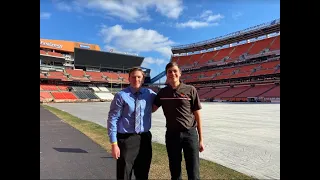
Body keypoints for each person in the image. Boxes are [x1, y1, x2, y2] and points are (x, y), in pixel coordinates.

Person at [153, 62, 204, 180]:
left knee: (194, 171)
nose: (172, 73)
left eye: (175, 71)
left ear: (180, 73)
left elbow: (197, 115)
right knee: (175, 171)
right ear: (166, 75)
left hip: (190, 134)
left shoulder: (190, 90)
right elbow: (152, 109)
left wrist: (201, 139)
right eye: (169, 71)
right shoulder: (162, 92)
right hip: (172, 135)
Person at [107, 67, 156, 180]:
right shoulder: (121, 95)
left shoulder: (150, 93)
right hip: (126, 140)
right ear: (129, 78)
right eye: (133, 77)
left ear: (143, 79)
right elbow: (112, 119)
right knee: (124, 174)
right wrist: (114, 144)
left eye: (139, 77)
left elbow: (159, 103)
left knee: (143, 173)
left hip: (144, 138)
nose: (136, 79)